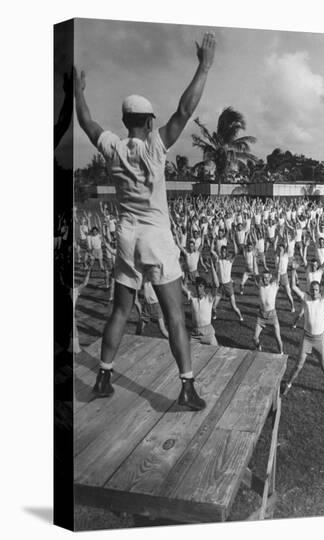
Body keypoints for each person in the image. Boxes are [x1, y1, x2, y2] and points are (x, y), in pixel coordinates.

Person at [75, 32, 216, 410]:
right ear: (151, 122)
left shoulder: (113, 148)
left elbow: (87, 122)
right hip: (156, 238)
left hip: (126, 236)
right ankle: (186, 387)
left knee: (120, 309)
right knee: (173, 314)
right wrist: (204, 66)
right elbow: (185, 111)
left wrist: (79, 91)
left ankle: (104, 375)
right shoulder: (155, 147)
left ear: (124, 121)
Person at [282, 260, 324, 401]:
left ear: (319, 290)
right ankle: (288, 385)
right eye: (312, 289)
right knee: (298, 366)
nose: (314, 292)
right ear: (309, 290)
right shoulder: (306, 298)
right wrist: (293, 270)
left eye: (316, 290)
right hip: (307, 339)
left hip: (320, 340)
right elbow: (293, 286)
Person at [253, 270, 283, 354]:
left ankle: (281, 353)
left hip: (272, 315)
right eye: (263, 278)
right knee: (255, 338)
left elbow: (278, 273)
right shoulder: (260, 285)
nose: (265, 279)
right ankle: (258, 347)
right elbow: (255, 273)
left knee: (277, 337)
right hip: (261, 316)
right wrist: (254, 258)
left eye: (267, 277)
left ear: (270, 277)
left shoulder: (274, 286)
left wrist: (280, 259)